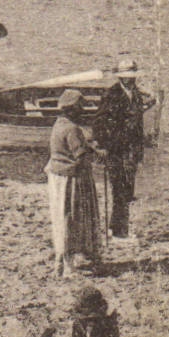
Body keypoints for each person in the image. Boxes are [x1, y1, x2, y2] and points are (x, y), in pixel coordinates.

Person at [46, 89, 104, 277]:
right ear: (71, 109)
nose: (82, 111)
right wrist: (99, 155)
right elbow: (81, 155)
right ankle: (69, 264)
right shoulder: (72, 129)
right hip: (72, 179)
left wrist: (89, 148)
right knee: (73, 219)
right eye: (80, 108)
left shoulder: (58, 124)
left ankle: (61, 260)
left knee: (61, 218)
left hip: (57, 176)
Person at [93, 58, 147, 242]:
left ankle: (120, 227)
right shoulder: (111, 94)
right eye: (127, 76)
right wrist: (103, 145)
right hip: (115, 148)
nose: (130, 79)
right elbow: (99, 121)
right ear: (120, 77)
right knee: (118, 188)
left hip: (131, 149)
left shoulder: (136, 94)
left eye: (132, 76)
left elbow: (139, 122)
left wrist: (139, 149)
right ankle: (117, 230)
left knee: (128, 189)